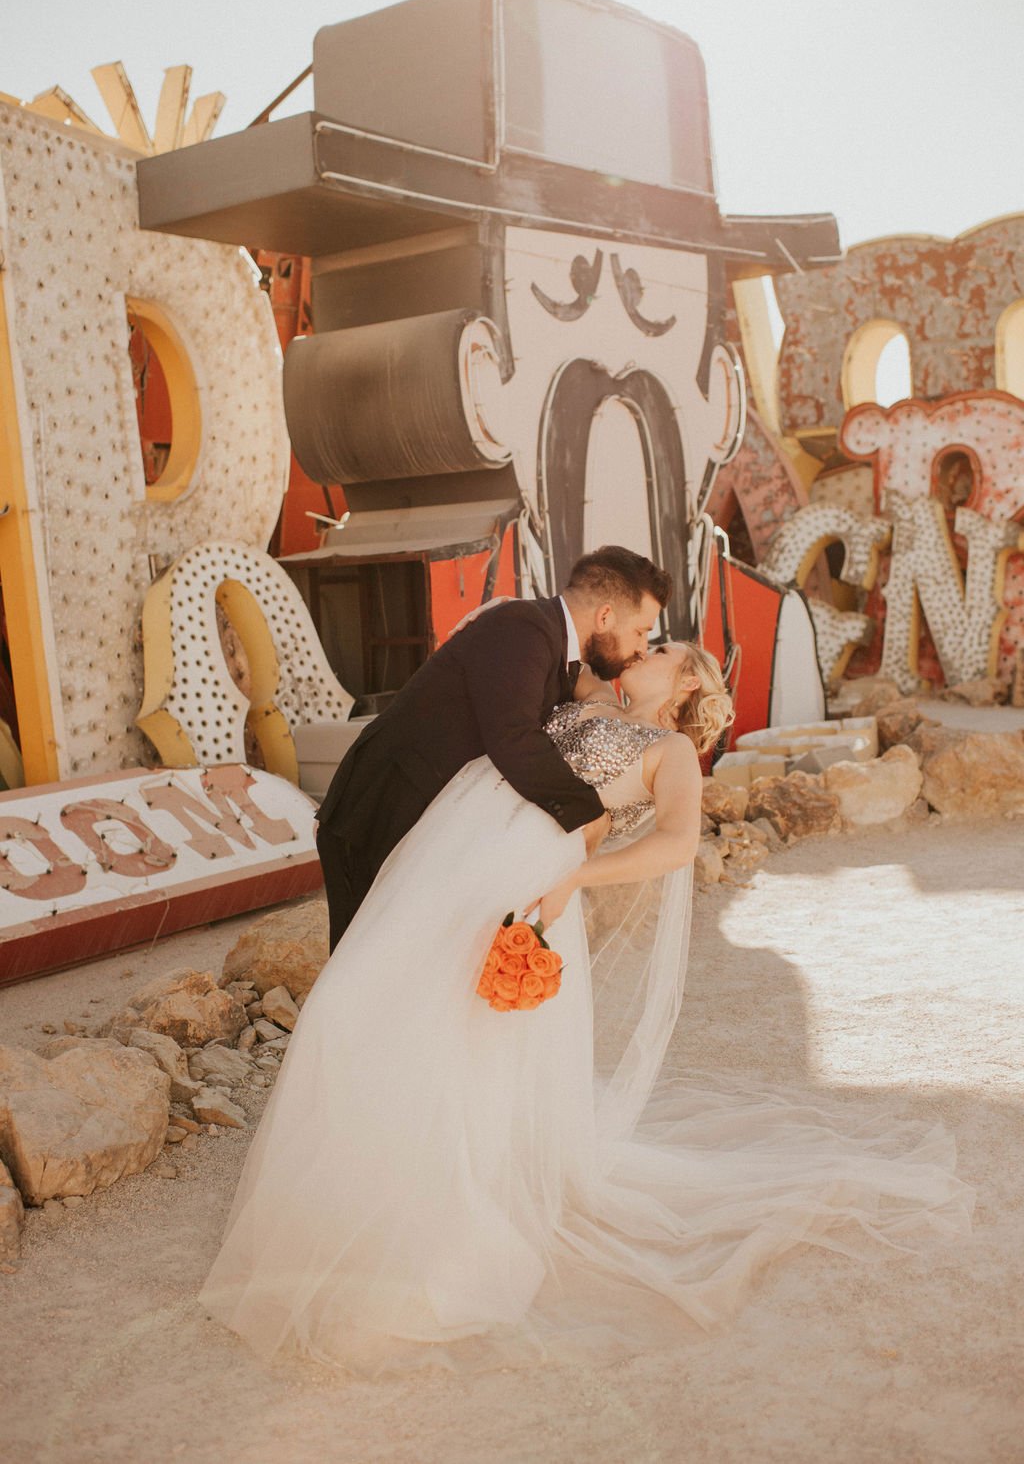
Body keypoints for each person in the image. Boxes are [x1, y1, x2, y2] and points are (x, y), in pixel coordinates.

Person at [198, 615, 973, 1376]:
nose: (643, 648)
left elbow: (672, 843)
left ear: (689, 678)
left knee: (459, 1047)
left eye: (662, 647)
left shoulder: (669, 751)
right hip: (445, 862)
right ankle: (350, 1200)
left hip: (524, 886)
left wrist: (574, 877)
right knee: (357, 1010)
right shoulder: (572, 701)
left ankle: (433, 1226)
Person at [313, 545, 672, 951]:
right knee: (362, 961)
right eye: (641, 631)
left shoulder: (549, 642)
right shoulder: (524, 627)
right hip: (379, 813)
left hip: (419, 825)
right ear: (605, 616)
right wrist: (588, 814)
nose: (642, 646)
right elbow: (513, 737)